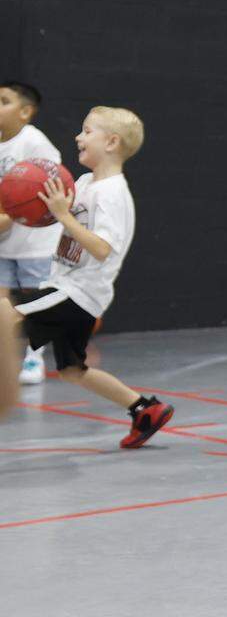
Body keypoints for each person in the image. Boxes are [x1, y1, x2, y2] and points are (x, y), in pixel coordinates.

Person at [3, 106, 174, 448]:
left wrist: (64, 217)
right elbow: (56, 212)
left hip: (76, 291)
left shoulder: (113, 193)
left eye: (86, 131)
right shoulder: (83, 183)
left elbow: (101, 249)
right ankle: (144, 409)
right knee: (72, 370)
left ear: (111, 142)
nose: (77, 137)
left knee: (5, 314)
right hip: (71, 290)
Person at [0, 81, 63, 384]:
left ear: (25, 112)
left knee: (34, 302)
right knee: (2, 302)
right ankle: (6, 358)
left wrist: (14, 214)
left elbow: (52, 185)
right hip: (4, 242)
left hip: (35, 243)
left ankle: (33, 358)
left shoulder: (34, 142)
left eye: (3, 101)